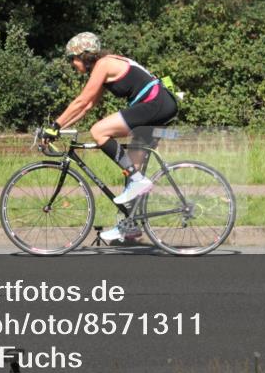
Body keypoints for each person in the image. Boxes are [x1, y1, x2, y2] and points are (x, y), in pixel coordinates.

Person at [41, 31, 178, 242]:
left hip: (155, 103)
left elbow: (81, 100)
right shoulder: (104, 68)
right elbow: (86, 106)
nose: (72, 65)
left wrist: (54, 125)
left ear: (84, 55)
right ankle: (129, 227)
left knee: (99, 131)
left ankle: (138, 181)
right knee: (130, 166)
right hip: (159, 104)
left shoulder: (103, 64)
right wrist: (57, 129)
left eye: (73, 60)